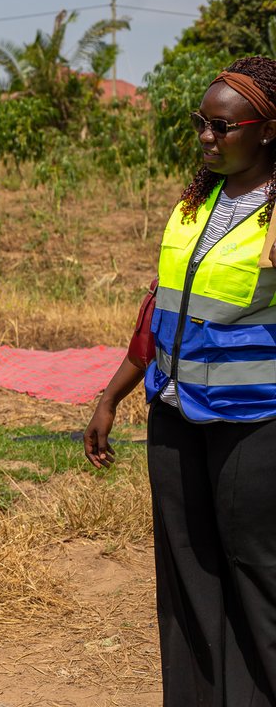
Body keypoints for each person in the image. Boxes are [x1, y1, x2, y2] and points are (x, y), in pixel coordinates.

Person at [84, 56, 276, 704]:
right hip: (174, 420)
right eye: (203, 124)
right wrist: (114, 393)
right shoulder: (196, 204)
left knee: (257, 579)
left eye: (224, 126)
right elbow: (159, 308)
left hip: (254, 428)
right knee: (187, 579)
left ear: (268, 130)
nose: (208, 136)